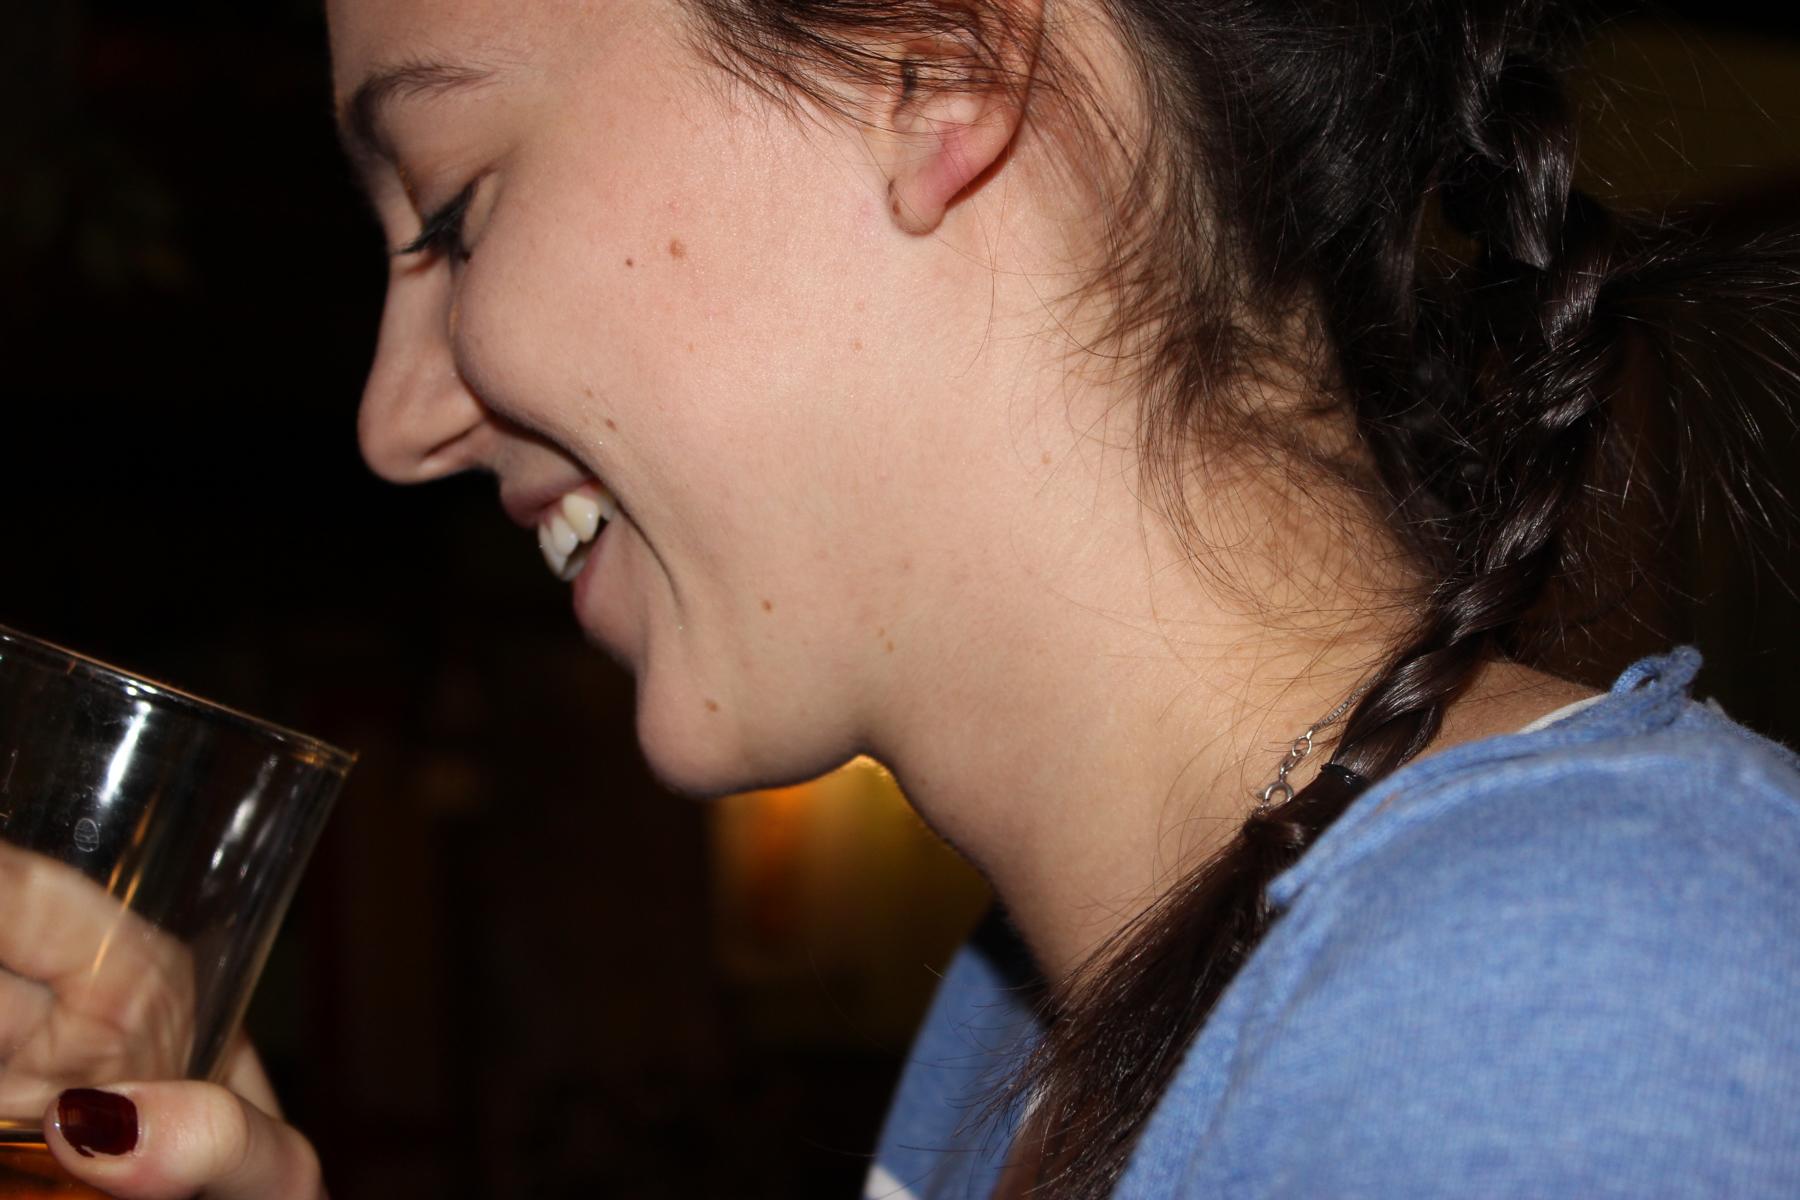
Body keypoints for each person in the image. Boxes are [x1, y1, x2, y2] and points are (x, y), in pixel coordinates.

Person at [35, 0, 1800, 1195]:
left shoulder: (1575, 1004)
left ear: (932, 58)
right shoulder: (1028, 1010)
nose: (393, 417)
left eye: (454, 207)